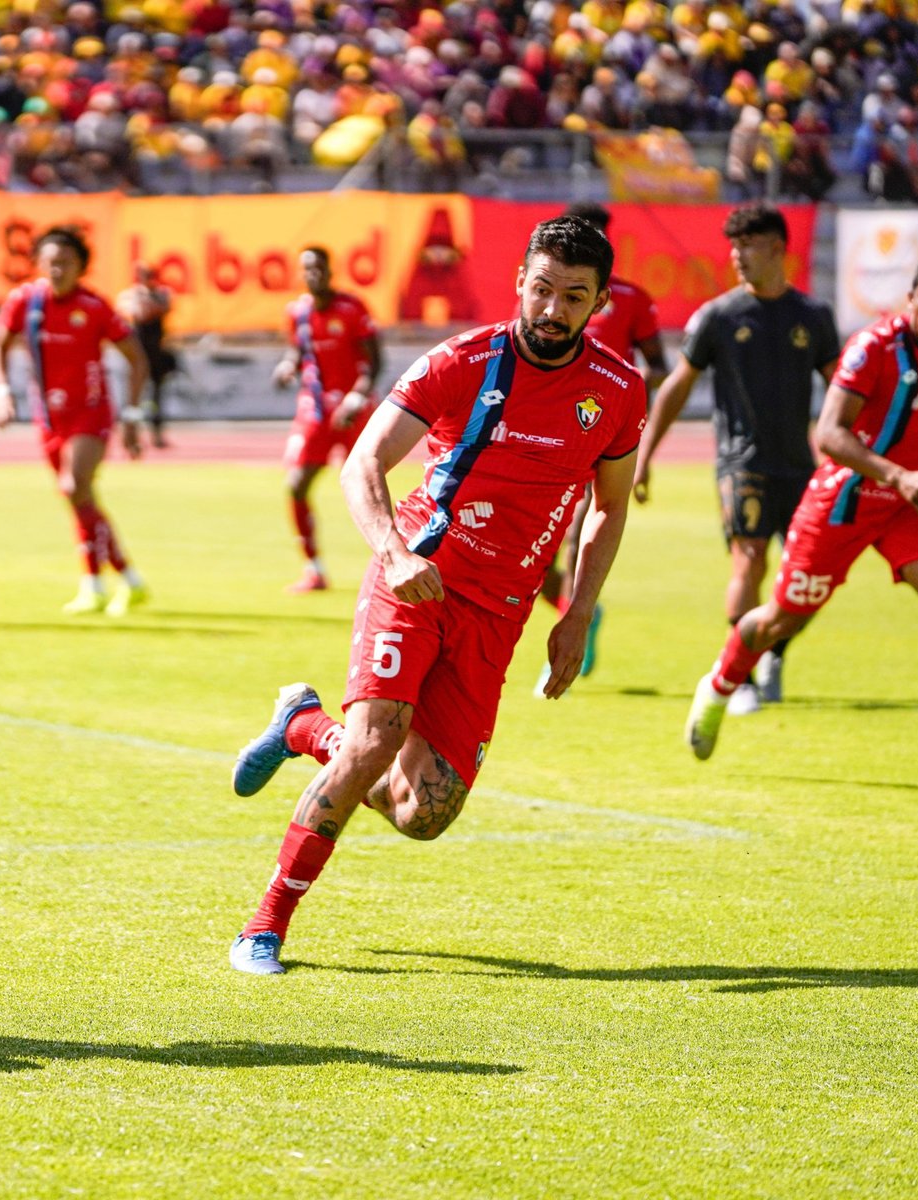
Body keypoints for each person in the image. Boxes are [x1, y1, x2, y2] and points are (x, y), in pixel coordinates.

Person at [227, 216, 648, 975]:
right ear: (519, 281)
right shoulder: (461, 361)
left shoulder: (618, 391)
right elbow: (364, 463)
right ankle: (265, 927)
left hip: (500, 611)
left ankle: (304, 725)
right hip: (418, 580)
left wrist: (577, 612)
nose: (552, 309)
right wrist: (393, 555)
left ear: (600, 302)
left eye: (573, 297)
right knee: (374, 745)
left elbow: (610, 505)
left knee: (423, 813)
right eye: (542, 289)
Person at [684, 257, 918, 782]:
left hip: (905, 502)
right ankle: (717, 687)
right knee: (783, 618)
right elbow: (828, 434)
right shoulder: (876, 347)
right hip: (846, 497)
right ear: (910, 299)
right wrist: (896, 474)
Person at [634, 204, 839, 713]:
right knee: (749, 559)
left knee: (813, 576)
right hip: (741, 462)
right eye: (734, 246)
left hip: (800, 466)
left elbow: (841, 389)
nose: (737, 255)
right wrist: (644, 456)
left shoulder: (813, 317)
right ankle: (740, 679)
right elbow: (676, 388)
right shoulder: (719, 316)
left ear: (777, 248)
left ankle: (773, 653)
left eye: (748, 245)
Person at [532, 201, 670, 690]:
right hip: (543, 436)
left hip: (598, 433)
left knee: (577, 537)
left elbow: (658, 364)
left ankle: (567, 639)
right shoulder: (546, 300)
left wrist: (620, 396)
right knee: (532, 558)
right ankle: (577, 609)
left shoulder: (629, 298)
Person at [0, 225, 151, 617]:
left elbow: (137, 359)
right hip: (49, 417)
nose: (58, 269)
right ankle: (125, 579)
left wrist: (131, 414)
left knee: (75, 485)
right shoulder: (25, 301)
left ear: (81, 266)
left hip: (90, 413)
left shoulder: (94, 307)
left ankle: (95, 584)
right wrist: (1, 392)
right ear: (38, 264)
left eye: (66, 262)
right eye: (51, 262)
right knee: (78, 497)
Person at [273, 246, 383, 593]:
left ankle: (388, 564)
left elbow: (375, 361)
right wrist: (287, 365)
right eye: (306, 268)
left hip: (354, 409)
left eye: (318, 267)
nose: (313, 274)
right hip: (316, 410)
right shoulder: (298, 312)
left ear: (330, 271)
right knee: (296, 484)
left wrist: (356, 397)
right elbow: (299, 350)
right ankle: (313, 569)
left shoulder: (352, 308)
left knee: (369, 488)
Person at [114, 264, 176, 449]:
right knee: (134, 396)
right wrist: (143, 302)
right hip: (137, 354)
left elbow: (158, 309)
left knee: (157, 396)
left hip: (156, 352)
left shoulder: (162, 294)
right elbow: (135, 312)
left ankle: (156, 433)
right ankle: (132, 434)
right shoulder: (130, 295)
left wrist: (147, 303)